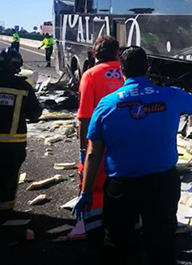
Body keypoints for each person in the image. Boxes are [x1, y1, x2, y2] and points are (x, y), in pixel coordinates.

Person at [75, 47, 192, 265]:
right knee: (161, 244)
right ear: (147, 68)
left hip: (121, 188)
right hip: (162, 184)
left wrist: (87, 191)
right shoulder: (170, 95)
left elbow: (94, 152)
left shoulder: (106, 105)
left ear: (121, 71)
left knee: (124, 247)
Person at [0, 48, 42, 238]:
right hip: (12, 144)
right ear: (17, 65)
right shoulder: (23, 87)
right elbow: (34, 114)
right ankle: (4, 212)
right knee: (8, 177)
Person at [76, 36, 124, 255]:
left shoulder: (91, 75)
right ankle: (120, 235)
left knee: (94, 191)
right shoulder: (127, 73)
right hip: (125, 143)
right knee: (122, 189)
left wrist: (83, 149)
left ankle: (96, 241)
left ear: (95, 54)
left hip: (99, 144)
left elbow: (85, 116)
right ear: (117, 54)